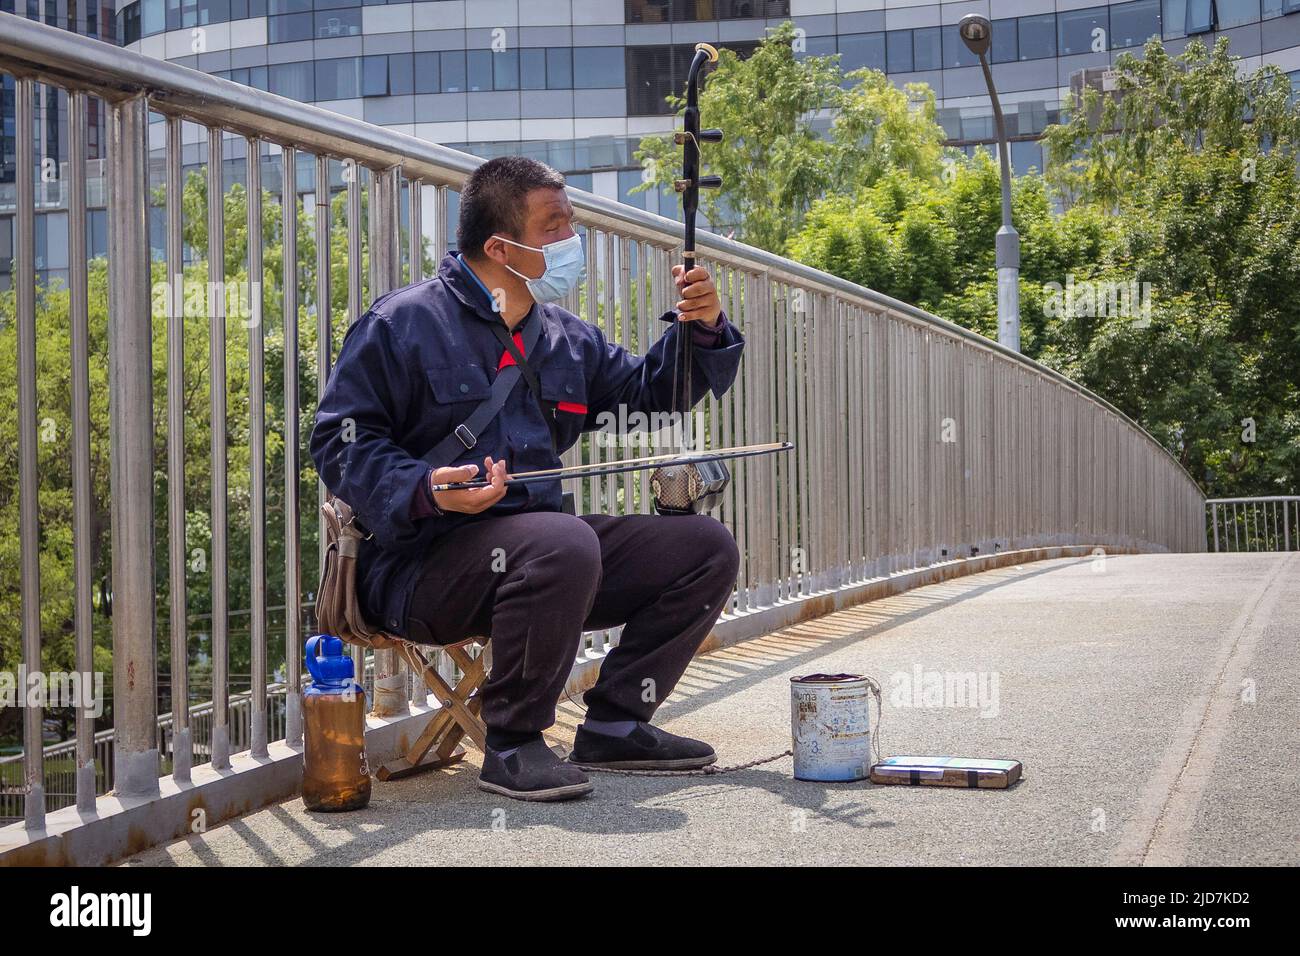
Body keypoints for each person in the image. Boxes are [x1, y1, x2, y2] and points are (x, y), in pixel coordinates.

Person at [310, 156, 744, 802]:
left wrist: (702, 329)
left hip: (545, 568)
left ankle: (618, 722)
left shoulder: (565, 338)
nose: (572, 242)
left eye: (570, 224)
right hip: (417, 569)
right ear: (499, 246)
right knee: (561, 540)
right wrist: (427, 489)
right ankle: (512, 742)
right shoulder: (402, 324)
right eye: (554, 226)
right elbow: (338, 443)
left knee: (704, 547)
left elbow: (651, 394)